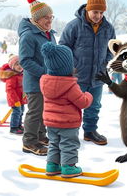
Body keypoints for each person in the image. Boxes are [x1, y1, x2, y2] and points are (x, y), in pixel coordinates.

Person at [59, 0, 116, 145]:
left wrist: (105, 62)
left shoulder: (108, 28)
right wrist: (72, 67)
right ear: (88, 10)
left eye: (101, 12)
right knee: (73, 106)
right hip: (77, 75)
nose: (98, 16)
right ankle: (70, 133)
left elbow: (112, 48)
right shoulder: (74, 25)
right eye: (95, 12)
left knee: (94, 105)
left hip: (98, 75)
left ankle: (90, 131)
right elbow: (63, 47)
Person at [40, 42, 93, 178]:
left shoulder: (45, 82)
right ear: (67, 66)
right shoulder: (70, 86)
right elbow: (83, 102)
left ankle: (52, 165)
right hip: (68, 123)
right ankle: (68, 168)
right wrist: (88, 95)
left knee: (54, 143)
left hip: (51, 122)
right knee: (68, 144)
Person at [18, 0, 56, 156]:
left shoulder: (49, 33)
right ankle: (29, 142)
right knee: (35, 111)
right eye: (46, 18)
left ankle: (40, 135)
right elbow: (25, 61)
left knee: (44, 110)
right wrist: (45, 72)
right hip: (34, 82)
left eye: (51, 17)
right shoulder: (28, 36)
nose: (49, 20)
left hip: (48, 81)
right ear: (37, 19)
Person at [0, 54, 27, 134]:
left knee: (21, 111)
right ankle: (13, 127)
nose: (19, 66)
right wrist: (15, 100)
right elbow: (9, 90)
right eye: (17, 64)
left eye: (20, 64)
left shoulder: (21, 75)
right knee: (17, 112)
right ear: (12, 67)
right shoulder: (12, 77)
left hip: (21, 98)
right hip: (14, 99)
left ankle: (19, 125)